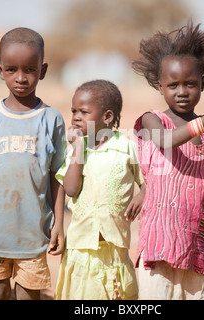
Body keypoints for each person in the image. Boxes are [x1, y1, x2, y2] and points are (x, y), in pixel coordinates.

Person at [131, 21, 204, 299]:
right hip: (161, 243)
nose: (182, 91)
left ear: (202, 84)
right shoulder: (152, 120)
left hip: (201, 245)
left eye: (190, 84)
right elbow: (168, 141)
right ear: (160, 87)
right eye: (173, 85)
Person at [0, 27, 66, 300]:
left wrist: (59, 222)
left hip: (33, 234)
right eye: (12, 69)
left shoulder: (52, 119)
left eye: (30, 70)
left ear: (43, 69)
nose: (21, 78)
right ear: (0, 70)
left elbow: (56, 174)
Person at [54, 80, 145, 300]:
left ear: (107, 117)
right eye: (74, 111)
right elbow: (71, 189)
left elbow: (147, 180)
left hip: (114, 248)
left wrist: (143, 194)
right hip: (81, 247)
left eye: (84, 112)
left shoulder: (127, 146)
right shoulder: (76, 149)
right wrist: (77, 149)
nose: (76, 117)